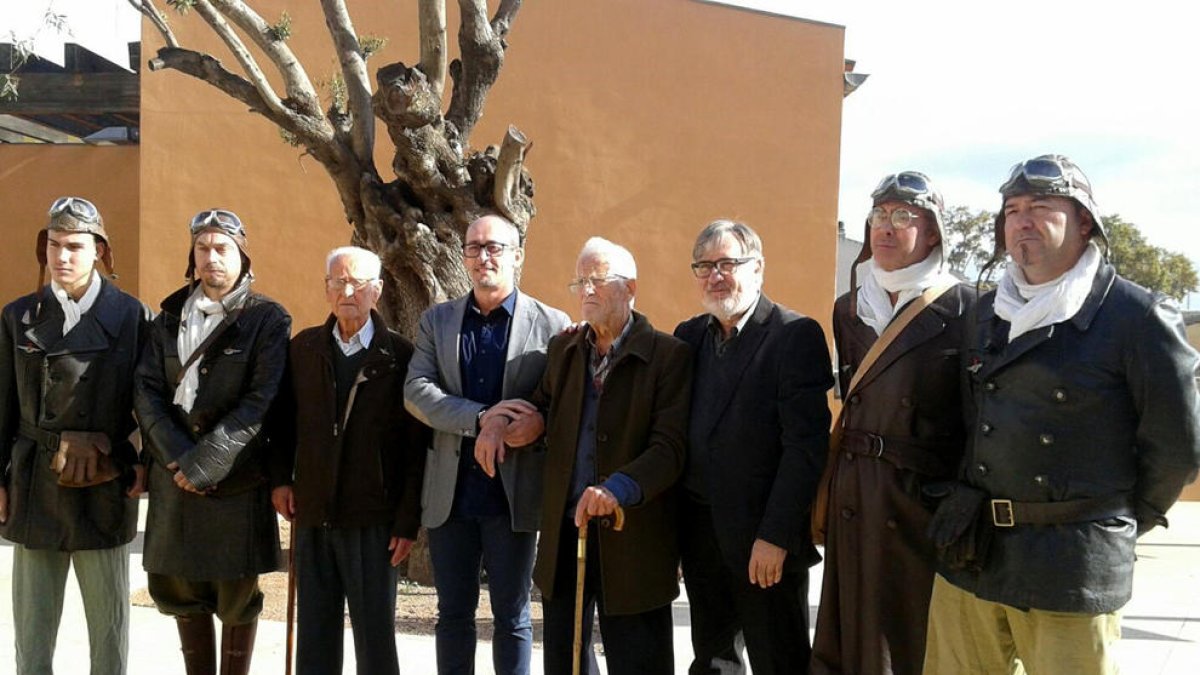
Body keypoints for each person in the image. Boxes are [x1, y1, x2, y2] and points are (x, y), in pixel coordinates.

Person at [924, 155, 1200, 674]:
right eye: (1012, 210)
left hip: (1073, 563)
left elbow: (1178, 449)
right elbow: (967, 422)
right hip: (974, 551)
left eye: (1041, 207)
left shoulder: (1137, 315)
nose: (1022, 221)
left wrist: (1114, 521)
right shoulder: (985, 313)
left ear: (1084, 222)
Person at [810, 173, 974, 675]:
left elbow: (975, 418)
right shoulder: (848, 308)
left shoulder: (966, 306)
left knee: (907, 638)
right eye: (879, 215)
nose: (886, 226)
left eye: (903, 216)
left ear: (932, 231)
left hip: (918, 498)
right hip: (856, 491)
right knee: (849, 628)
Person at [404, 214, 570, 675]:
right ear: (464, 258)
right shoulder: (437, 321)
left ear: (518, 255)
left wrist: (538, 423)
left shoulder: (553, 325)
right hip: (451, 495)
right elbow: (416, 390)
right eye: (474, 247)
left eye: (494, 247)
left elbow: (563, 403)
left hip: (513, 496)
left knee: (513, 618)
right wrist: (482, 418)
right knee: (452, 615)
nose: (484, 257)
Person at [524, 236, 691, 675]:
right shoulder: (564, 350)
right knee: (565, 661)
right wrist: (505, 421)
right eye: (580, 281)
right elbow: (543, 407)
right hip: (566, 532)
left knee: (640, 661)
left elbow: (670, 448)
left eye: (597, 280)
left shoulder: (668, 356)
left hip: (634, 536)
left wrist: (619, 488)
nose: (586, 290)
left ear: (630, 288)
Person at [673, 220, 833, 674]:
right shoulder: (688, 336)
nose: (714, 276)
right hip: (701, 539)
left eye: (727, 263)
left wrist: (776, 536)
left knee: (779, 661)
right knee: (712, 661)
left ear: (758, 267)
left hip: (764, 544)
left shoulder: (794, 335)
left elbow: (805, 448)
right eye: (704, 266)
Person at [135, 208, 290, 675]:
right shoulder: (167, 319)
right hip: (174, 476)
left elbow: (262, 399)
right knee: (180, 592)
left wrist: (207, 462)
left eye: (222, 247)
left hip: (234, 481)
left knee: (236, 596)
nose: (211, 257)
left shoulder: (266, 319)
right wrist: (180, 457)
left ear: (242, 255)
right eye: (202, 248)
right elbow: (146, 390)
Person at [0, 197, 149, 675]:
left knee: (109, 630)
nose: (62, 257)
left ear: (99, 250)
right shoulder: (19, 316)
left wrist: (141, 463)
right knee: (32, 630)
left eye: (75, 246)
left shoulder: (133, 316)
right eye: (54, 245)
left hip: (105, 479)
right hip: (35, 483)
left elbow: (150, 403)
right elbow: (2, 404)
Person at [271, 246, 428, 674]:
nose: (347, 292)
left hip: (373, 522)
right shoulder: (303, 349)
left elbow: (416, 449)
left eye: (358, 283)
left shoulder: (399, 356)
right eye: (338, 281)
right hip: (313, 514)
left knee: (375, 640)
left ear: (377, 290)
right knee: (315, 637)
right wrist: (281, 479)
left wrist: (407, 521)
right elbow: (282, 423)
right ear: (326, 289)